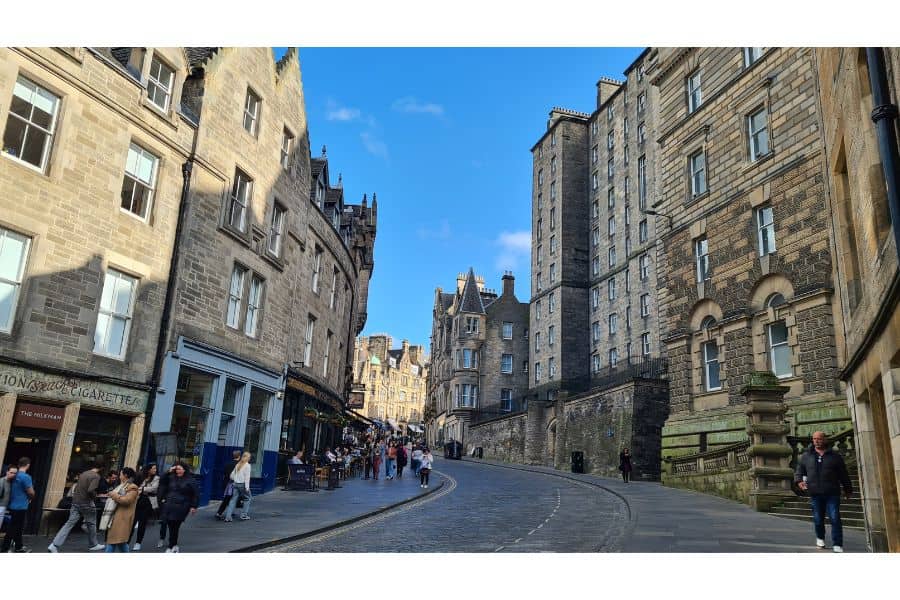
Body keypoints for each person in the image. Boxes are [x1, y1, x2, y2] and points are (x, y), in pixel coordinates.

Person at [795, 431, 853, 552]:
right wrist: (799, 481)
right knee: (818, 519)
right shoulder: (806, 456)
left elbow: (843, 474)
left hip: (832, 492)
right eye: (814, 439)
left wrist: (848, 489)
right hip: (815, 493)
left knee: (835, 517)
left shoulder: (835, 456)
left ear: (825, 440)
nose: (816, 441)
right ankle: (820, 538)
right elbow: (799, 471)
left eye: (819, 439)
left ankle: (837, 543)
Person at [48, 462, 106, 552]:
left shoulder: (83, 474)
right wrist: (95, 496)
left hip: (76, 502)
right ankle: (93, 544)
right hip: (87, 503)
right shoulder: (96, 476)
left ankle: (54, 545)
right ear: (100, 468)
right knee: (92, 523)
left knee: (69, 524)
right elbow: (91, 490)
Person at [159, 462, 198, 553]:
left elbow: (195, 494)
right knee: (171, 525)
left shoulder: (190, 480)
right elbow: (162, 480)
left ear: (184, 470)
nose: (178, 471)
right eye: (177, 469)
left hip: (182, 506)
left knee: (175, 525)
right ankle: (174, 545)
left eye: (180, 469)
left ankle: (170, 546)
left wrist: (194, 506)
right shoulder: (171, 478)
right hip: (169, 505)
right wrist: (169, 471)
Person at [1, 457, 35, 553]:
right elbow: (31, 492)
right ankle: (5, 548)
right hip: (21, 506)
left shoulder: (14, 475)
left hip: (11, 505)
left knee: (18, 527)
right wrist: (31, 498)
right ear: (28, 465)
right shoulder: (26, 477)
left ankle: (18, 547)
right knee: (13, 528)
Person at [102, 467, 139, 552]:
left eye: (121, 474)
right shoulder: (122, 486)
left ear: (125, 475)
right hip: (117, 517)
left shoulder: (132, 487)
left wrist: (113, 495)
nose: (119, 476)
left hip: (123, 518)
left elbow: (127, 501)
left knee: (114, 541)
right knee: (119, 542)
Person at [130, 464, 159, 551]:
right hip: (137, 501)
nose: (155, 470)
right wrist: (143, 489)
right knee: (132, 523)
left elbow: (154, 488)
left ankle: (138, 543)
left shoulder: (156, 478)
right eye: (153, 468)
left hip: (148, 503)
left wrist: (141, 489)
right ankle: (126, 542)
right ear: (148, 469)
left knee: (142, 523)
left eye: (155, 468)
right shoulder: (140, 476)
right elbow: (133, 486)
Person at [224, 452, 253, 522]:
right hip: (242, 484)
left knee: (233, 500)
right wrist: (247, 487)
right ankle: (244, 515)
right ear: (247, 458)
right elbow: (247, 477)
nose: (250, 458)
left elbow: (231, 475)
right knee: (248, 498)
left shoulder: (238, 464)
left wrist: (235, 480)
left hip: (235, 484)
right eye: (249, 457)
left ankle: (228, 517)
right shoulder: (247, 465)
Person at [216, 450, 242, 520]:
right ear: (239, 456)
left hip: (227, 484)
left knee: (227, 499)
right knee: (234, 498)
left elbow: (224, 474)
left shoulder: (227, 464)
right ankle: (227, 513)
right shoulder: (240, 465)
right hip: (235, 484)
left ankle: (220, 512)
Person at [156, 465, 175, 548]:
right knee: (164, 522)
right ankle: (161, 538)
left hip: (175, 503)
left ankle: (172, 541)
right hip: (166, 501)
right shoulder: (168, 477)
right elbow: (162, 479)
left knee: (173, 523)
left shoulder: (180, 478)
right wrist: (168, 471)